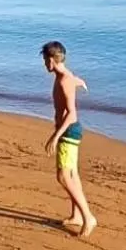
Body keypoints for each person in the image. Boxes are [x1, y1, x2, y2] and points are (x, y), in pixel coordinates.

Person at [42, 40, 96, 239]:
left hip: (68, 132)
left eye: (45, 61)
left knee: (64, 176)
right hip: (70, 131)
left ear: (51, 60)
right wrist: (80, 82)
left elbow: (71, 114)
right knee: (72, 174)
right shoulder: (66, 77)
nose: (44, 65)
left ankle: (88, 217)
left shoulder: (64, 80)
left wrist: (55, 137)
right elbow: (73, 79)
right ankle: (77, 216)